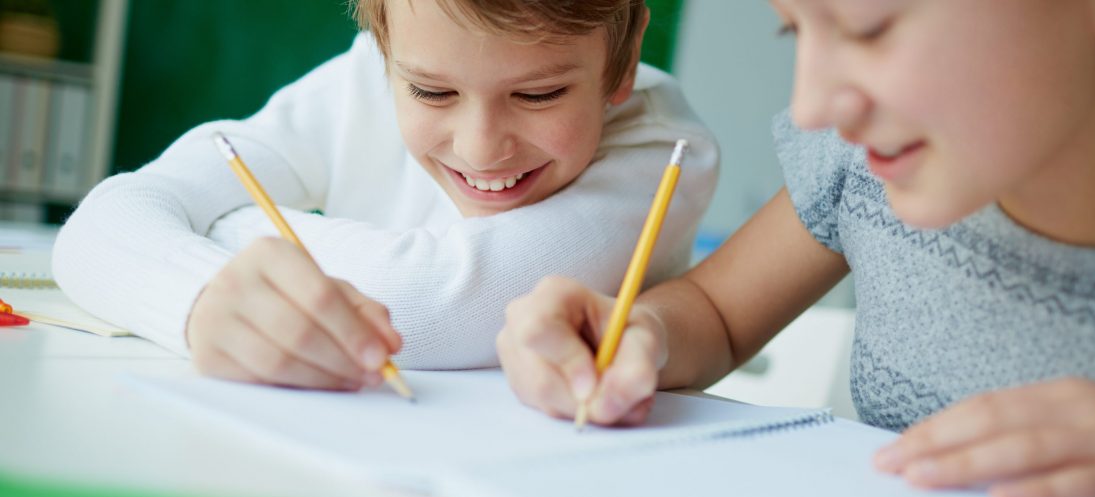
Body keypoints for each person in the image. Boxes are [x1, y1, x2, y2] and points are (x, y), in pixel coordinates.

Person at [495, 0, 1095, 497]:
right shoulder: (861, 164)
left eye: (870, 29)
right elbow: (716, 315)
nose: (809, 107)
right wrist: (637, 332)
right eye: (794, 30)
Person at [52, 0, 718, 391]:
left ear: (621, 65)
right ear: (385, 54)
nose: (482, 148)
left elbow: (421, 307)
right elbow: (96, 230)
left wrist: (215, 231)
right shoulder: (362, 81)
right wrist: (196, 300)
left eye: (538, 95)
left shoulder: (664, 151)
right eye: (432, 93)